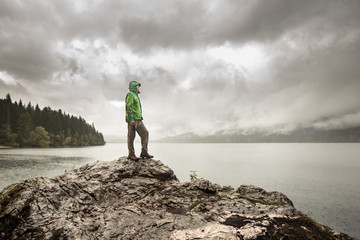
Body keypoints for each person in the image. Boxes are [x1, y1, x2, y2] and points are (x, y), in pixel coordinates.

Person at [125, 81, 154, 160]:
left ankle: (144, 152)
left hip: (139, 119)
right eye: (137, 86)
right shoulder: (130, 95)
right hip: (132, 119)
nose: (138, 88)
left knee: (145, 133)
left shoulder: (136, 96)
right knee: (131, 137)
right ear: (134, 87)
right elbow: (129, 107)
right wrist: (131, 119)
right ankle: (131, 154)